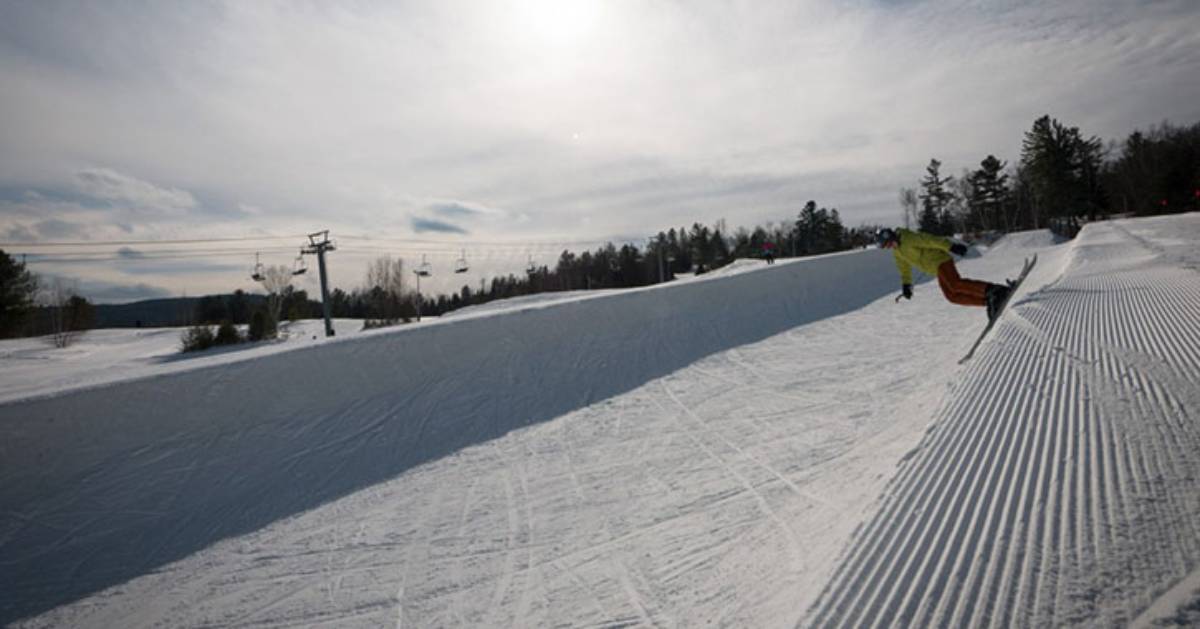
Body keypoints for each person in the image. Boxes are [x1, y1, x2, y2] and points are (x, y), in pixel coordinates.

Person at [876, 228, 1011, 320]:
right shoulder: (897, 251)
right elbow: (903, 267)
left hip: (940, 260)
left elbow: (931, 240)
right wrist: (906, 284)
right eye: (886, 247)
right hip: (935, 269)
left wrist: (950, 246)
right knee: (952, 296)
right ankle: (989, 301)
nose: (889, 247)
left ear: (891, 236)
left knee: (955, 284)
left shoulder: (908, 238)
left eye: (888, 244)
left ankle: (995, 291)